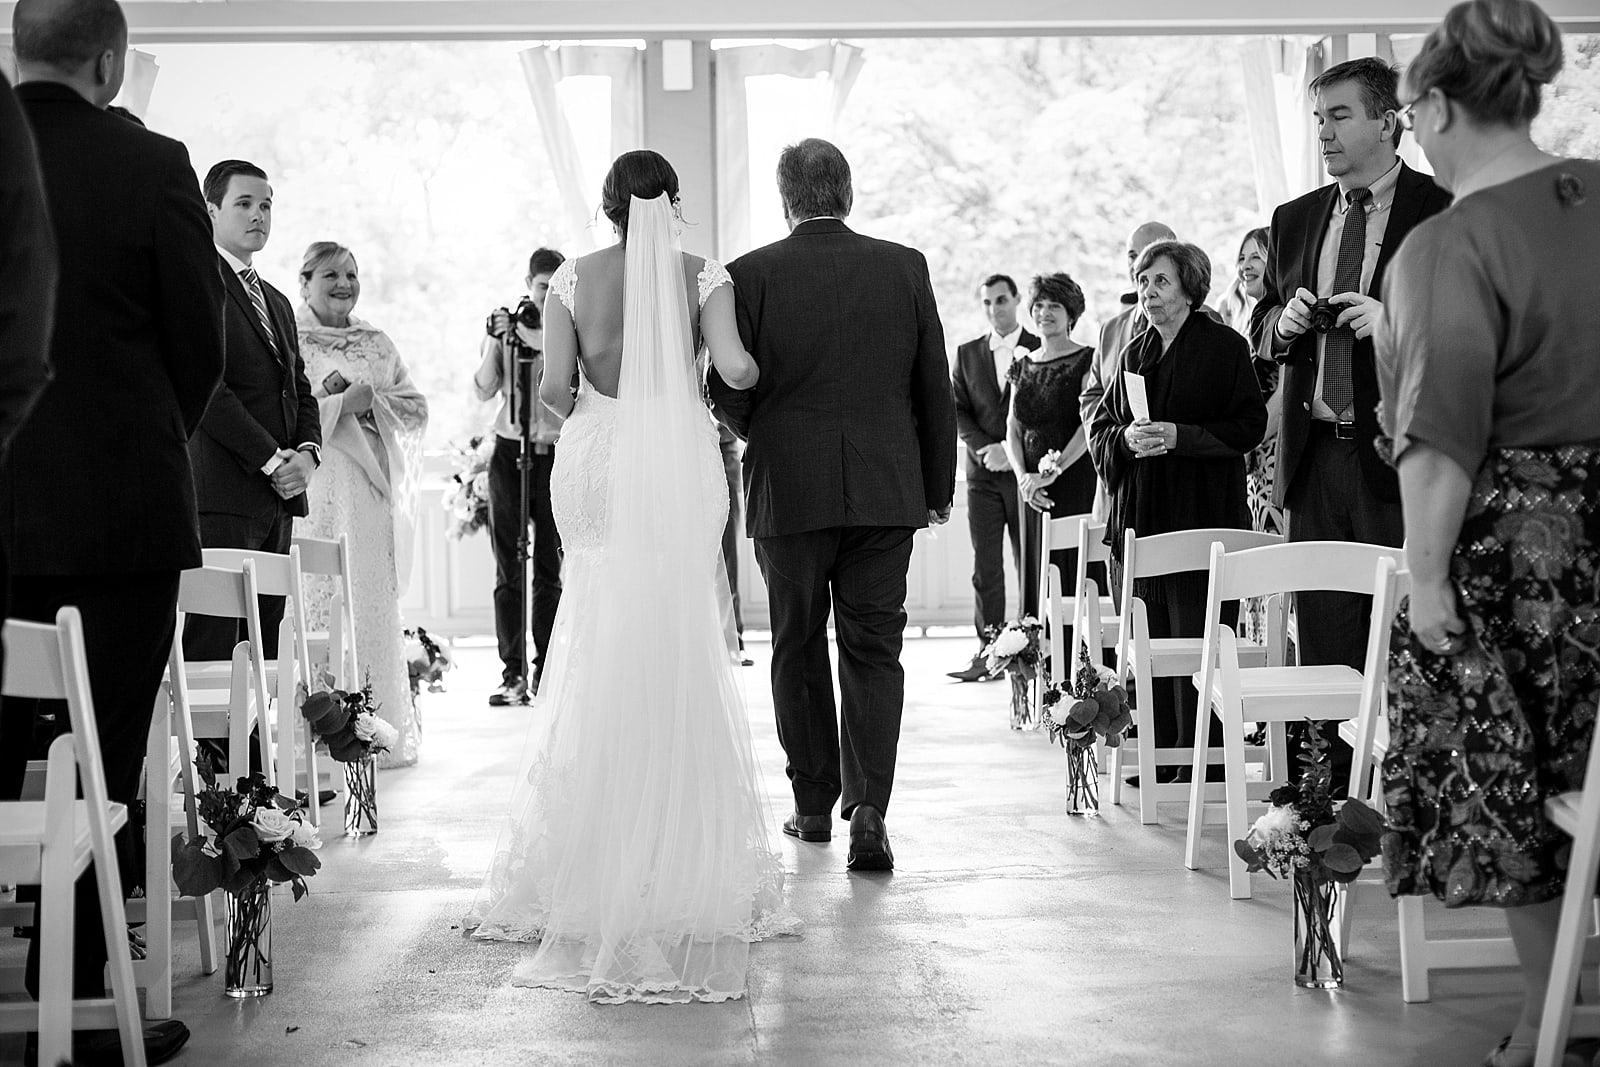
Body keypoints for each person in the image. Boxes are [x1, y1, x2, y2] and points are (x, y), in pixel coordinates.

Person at [465, 150, 797, 1002]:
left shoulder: (569, 278)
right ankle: (681, 849)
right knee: (678, 627)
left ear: (611, 206)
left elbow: (560, 390)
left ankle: (599, 850)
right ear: (672, 202)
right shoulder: (702, 274)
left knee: (599, 625)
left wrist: (591, 401)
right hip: (679, 454)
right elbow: (735, 371)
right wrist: (745, 368)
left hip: (597, 459)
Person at [1374, 4, 1599, 1065]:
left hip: (1529, 552)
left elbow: (1439, 434)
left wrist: (1425, 579)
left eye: (1412, 110)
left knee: (1512, 779)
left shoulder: (1445, 241)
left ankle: (1548, 1014)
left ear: (1433, 104)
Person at [0, 0, 225, 1062]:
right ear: (110, 59)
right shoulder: (152, 164)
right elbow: (198, 340)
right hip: (119, 513)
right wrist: (147, 439)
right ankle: (77, 988)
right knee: (99, 752)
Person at [709, 138, 958, 872]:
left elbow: (726, 386)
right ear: (846, 192)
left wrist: (773, 434)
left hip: (789, 488)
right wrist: (935, 487)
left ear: (787, 199)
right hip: (886, 490)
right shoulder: (904, 266)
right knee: (875, 648)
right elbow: (931, 389)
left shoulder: (749, 274)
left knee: (796, 642)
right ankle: (871, 809)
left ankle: (814, 806)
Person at [1248, 57, 1450, 680]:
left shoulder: (1444, 210)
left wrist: (1394, 325)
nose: (1324, 133)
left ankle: (1389, 777)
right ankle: (1322, 779)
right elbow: (1269, 320)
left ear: (1388, 123)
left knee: (1397, 641)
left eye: (1339, 116)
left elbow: (1472, 339)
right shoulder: (1295, 218)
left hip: (1396, 456)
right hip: (1312, 462)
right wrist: (1282, 326)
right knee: (1322, 643)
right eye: (1318, 118)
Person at [1089, 241, 1265, 781]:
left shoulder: (1224, 347)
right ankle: (1162, 756)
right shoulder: (1133, 353)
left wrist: (1178, 436)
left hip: (1200, 519)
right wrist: (1126, 440)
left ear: (1190, 287)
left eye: (1160, 282)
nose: (1148, 293)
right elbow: (1100, 427)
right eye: (1143, 282)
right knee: (1150, 646)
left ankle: (1204, 764)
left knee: (1197, 644)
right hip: (1143, 521)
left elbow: (1247, 429)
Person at [293, 242, 428, 768]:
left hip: (370, 494)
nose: (344, 283)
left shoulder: (376, 342)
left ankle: (376, 730)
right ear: (305, 282)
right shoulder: (291, 338)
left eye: (352, 274)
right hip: (318, 492)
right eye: (330, 274)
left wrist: (372, 405)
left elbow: (414, 407)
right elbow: (283, 412)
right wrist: (337, 405)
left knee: (370, 602)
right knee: (316, 602)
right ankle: (315, 744)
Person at [187, 159, 323, 668]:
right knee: (216, 649)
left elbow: (300, 392)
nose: (258, 215)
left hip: (280, 500)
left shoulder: (279, 302)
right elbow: (208, 390)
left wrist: (307, 457)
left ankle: (254, 750)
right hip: (222, 496)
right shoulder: (197, 285)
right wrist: (271, 459)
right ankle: (214, 752)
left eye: (266, 205)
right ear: (211, 209)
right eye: (244, 203)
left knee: (264, 649)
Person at [474, 248, 565, 706]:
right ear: (528, 283)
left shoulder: (567, 328)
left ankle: (546, 671)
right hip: (509, 452)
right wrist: (498, 339)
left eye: (556, 288)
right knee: (508, 569)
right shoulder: (509, 328)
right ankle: (511, 674)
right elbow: (483, 388)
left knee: (549, 570)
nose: (546, 297)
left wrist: (542, 336)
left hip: (554, 454)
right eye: (542, 288)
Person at [948, 274, 1039, 681]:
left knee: (1030, 563)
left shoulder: (1041, 348)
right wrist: (989, 449)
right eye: (986, 302)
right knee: (986, 566)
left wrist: (1012, 452)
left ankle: (1034, 649)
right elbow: (956, 409)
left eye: (1001, 300)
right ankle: (988, 652)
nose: (994, 308)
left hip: (1025, 475)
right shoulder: (966, 353)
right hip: (982, 474)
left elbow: (1042, 411)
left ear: (1017, 300)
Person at [1005, 272, 1096, 622]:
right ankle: (1039, 663)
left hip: (1072, 483)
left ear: (1071, 313)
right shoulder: (1022, 365)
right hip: (1029, 490)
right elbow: (1011, 427)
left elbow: (1089, 426)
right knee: (1036, 569)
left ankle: (1082, 665)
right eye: (1039, 305)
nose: (1045, 312)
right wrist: (1024, 479)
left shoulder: (1087, 360)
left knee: (1073, 571)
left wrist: (1052, 472)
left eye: (1054, 305)